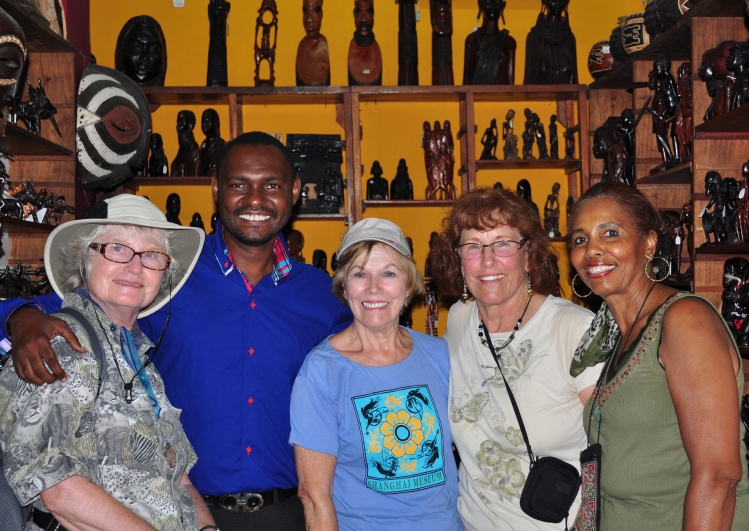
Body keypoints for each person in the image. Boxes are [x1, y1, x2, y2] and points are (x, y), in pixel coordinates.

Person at [1, 132, 353, 531]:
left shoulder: (323, 296)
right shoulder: (166, 276)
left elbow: (368, 358)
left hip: (284, 511)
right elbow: (84, 304)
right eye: (239, 184)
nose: (255, 200)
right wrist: (21, 317)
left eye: (271, 185)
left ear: (294, 190)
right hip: (176, 510)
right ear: (216, 188)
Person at [0, 194, 215, 531]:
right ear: (84, 261)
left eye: (151, 255)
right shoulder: (62, 345)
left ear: (164, 273)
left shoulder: (138, 355)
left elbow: (178, 476)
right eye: (117, 248)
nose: (135, 267)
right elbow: (60, 489)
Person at [567, 182, 749, 530]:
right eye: (580, 239)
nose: (592, 250)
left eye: (610, 233)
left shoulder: (685, 321)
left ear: (649, 243)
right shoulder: (620, 333)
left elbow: (719, 476)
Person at [428, 187, 602, 530]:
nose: (487, 260)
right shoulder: (460, 319)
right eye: (473, 246)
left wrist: (587, 522)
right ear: (458, 260)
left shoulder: (574, 330)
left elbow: (615, 442)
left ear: (528, 255)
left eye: (503, 243)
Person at [291, 218, 462, 531]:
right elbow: (314, 496)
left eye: (388, 273)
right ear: (344, 286)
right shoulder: (322, 371)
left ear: (408, 285)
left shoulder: (440, 354)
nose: (373, 288)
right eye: (360, 274)